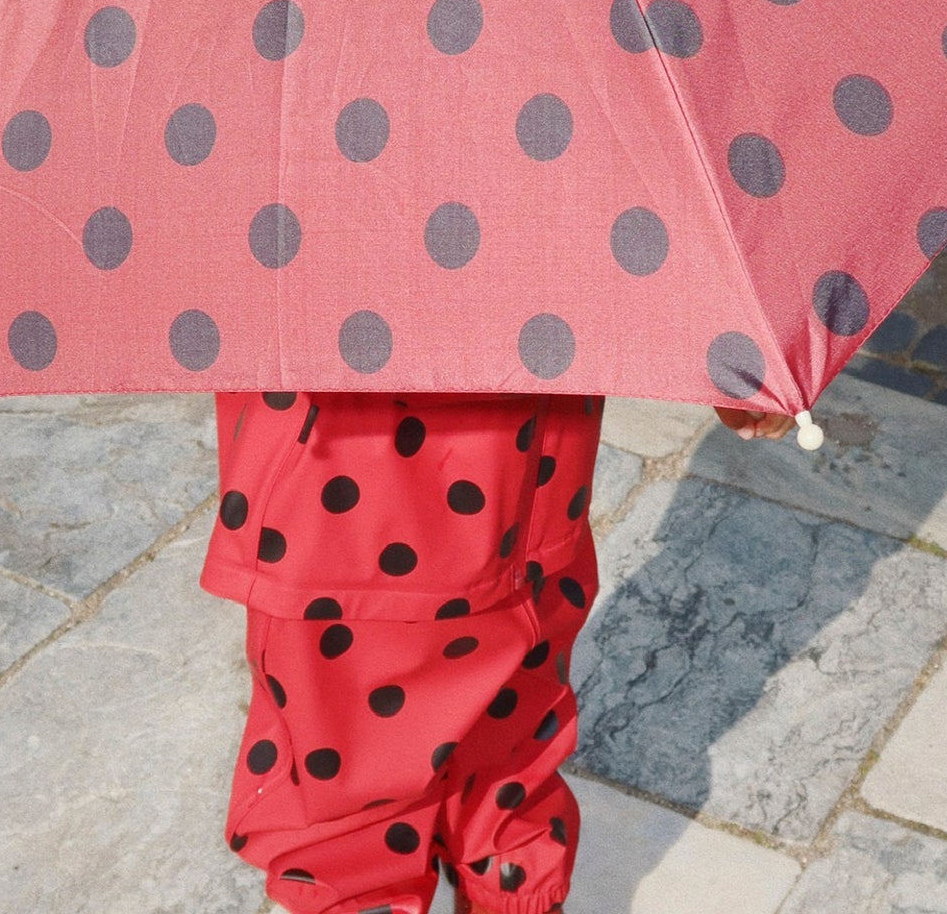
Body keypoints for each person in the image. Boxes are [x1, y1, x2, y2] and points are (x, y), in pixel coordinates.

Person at [199, 387, 795, 914]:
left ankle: (493, 887)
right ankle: (397, 891)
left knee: (504, 722)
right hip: (337, 474)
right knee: (350, 746)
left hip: (507, 459)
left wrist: (729, 357)